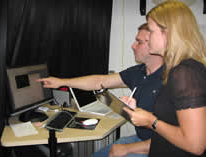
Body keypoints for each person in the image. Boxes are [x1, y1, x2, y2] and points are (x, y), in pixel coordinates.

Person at [37, 23, 164, 157]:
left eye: (139, 42)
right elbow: (100, 81)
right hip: (141, 140)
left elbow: (173, 140)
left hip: (156, 148)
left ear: (156, 43)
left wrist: (128, 149)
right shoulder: (138, 72)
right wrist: (61, 82)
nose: (133, 46)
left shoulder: (170, 80)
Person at [117, 1, 206, 157]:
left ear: (169, 33)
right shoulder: (176, 69)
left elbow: (195, 145)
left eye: (151, 31)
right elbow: (173, 121)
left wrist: (151, 121)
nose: (148, 38)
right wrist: (140, 113)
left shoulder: (186, 73)